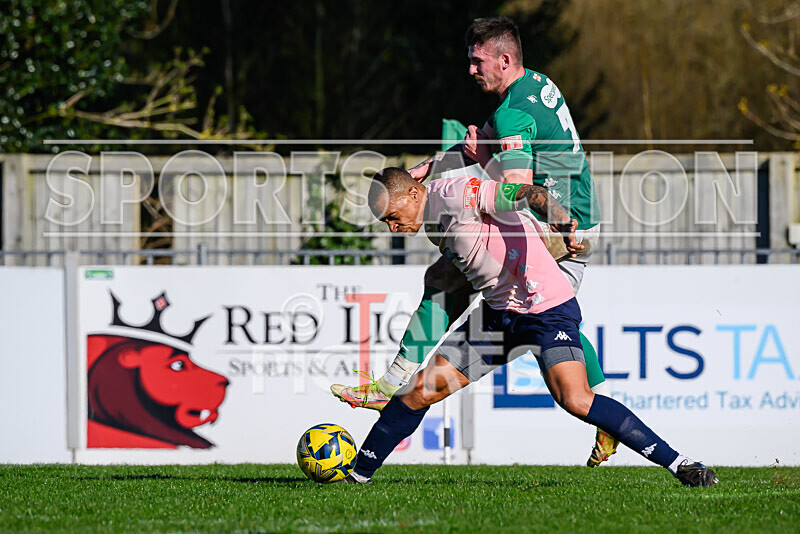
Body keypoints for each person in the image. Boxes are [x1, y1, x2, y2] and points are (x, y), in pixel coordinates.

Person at [332, 16, 618, 467]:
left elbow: (515, 187)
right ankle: (394, 381)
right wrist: (421, 172)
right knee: (536, 316)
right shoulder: (532, 85)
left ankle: (393, 382)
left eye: (476, 61)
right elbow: (479, 147)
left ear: (504, 59)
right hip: (571, 215)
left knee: (467, 286)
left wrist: (479, 157)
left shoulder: (511, 112)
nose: (470, 69)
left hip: (563, 225)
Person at [337, 167, 717, 488]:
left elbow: (523, 192)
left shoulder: (454, 194)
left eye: (391, 215)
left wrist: (557, 216)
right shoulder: (432, 222)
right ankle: (357, 477)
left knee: (576, 399)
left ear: (415, 193)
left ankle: (682, 465)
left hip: (544, 307)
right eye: (384, 220)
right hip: (497, 318)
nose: (391, 225)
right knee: (420, 391)